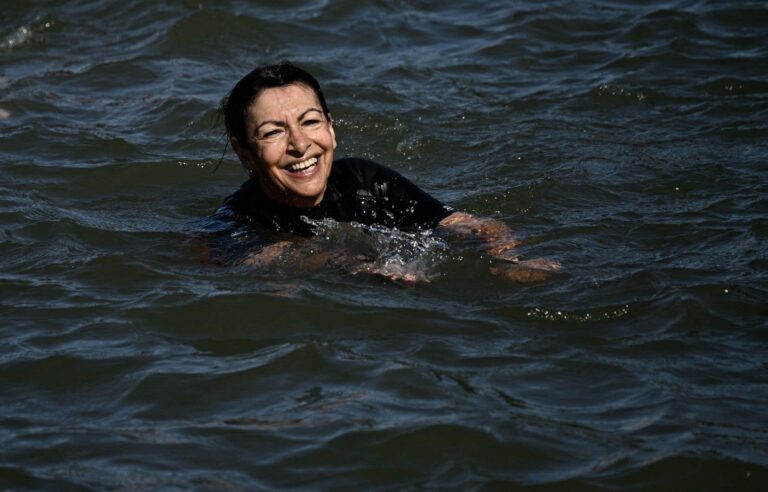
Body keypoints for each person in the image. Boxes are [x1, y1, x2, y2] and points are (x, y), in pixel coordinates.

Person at [216, 61, 558, 282]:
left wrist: (503, 256)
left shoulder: (365, 182)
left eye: (310, 122)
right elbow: (247, 266)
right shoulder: (238, 220)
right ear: (243, 152)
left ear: (331, 130)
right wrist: (339, 261)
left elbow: (460, 223)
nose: (300, 144)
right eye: (274, 132)